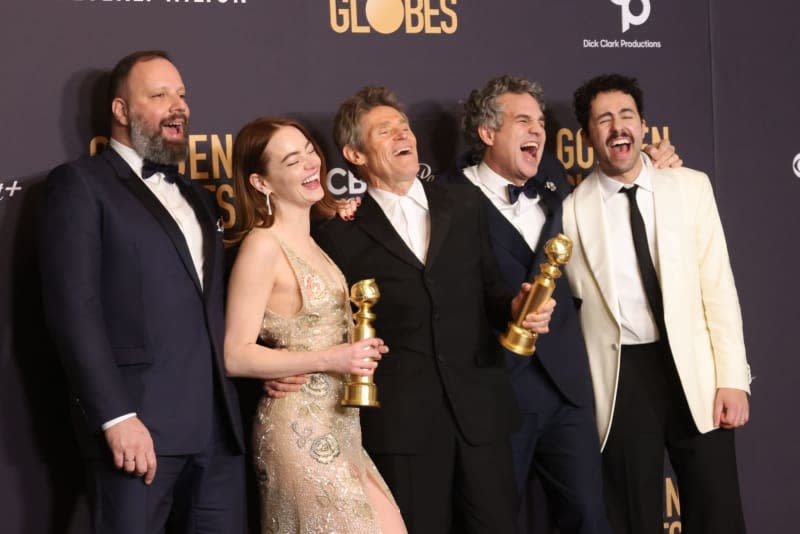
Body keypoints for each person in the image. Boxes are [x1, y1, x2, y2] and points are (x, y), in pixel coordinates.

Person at [436, 75, 680, 534]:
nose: (538, 131)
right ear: (487, 134)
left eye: (541, 122)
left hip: (567, 390)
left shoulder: (551, 176)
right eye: (522, 121)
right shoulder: (447, 197)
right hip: (496, 390)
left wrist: (653, 161)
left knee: (590, 517)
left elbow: (615, 188)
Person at [303, 86, 552, 534]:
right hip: (402, 428)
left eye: (405, 127)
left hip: (481, 418)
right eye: (385, 131)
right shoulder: (339, 234)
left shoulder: (465, 204)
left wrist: (517, 307)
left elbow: (492, 292)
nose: (404, 135)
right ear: (354, 154)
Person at [38, 50, 245, 533]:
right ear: (121, 110)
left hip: (218, 433)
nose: (179, 106)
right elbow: (73, 310)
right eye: (159, 96)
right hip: (140, 430)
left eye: (182, 95)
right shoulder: (81, 185)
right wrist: (115, 416)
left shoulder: (195, 193)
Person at [563, 73, 751, 534]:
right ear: (588, 137)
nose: (617, 127)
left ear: (644, 126)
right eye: (603, 120)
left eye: (626, 115)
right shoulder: (570, 211)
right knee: (629, 516)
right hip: (623, 378)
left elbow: (719, 288)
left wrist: (732, 378)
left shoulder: (690, 187)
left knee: (717, 511)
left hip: (695, 370)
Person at [223, 117, 407, 534]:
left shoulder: (315, 241)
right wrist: (333, 357)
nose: (310, 164)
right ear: (262, 182)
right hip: (299, 431)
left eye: (310, 151)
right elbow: (234, 354)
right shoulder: (263, 245)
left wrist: (357, 350)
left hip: (342, 426)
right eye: (292, 161)